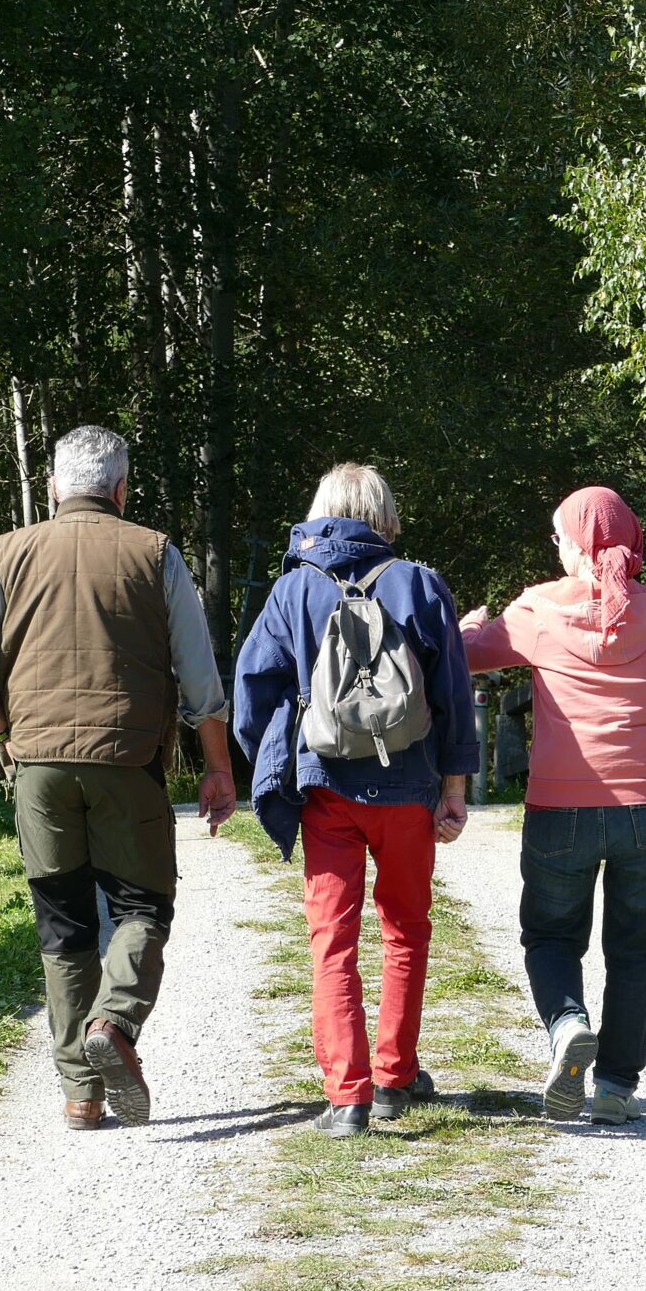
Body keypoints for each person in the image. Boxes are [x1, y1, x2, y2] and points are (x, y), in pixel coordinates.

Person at [0, 425, 238, 1132]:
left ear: (53, 489)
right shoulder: (155, 553)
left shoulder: (6, 554)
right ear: (120, 489)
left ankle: (81, 1093)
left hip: (38, 764)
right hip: (128, 758)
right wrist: (219, 767)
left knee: (63, 921)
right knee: (142, 906)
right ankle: (114, 1019)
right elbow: (199, 675)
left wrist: (6, 723)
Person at [232, 463, 478, 1137]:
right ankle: (397, 1076)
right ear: (385, 517)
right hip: (408, 787)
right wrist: (453, 787)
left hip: (327, 791)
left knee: (331, 938)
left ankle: (348, 1097)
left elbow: (253, 687)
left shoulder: (292, 590)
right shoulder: (420, 584)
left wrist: (275, 762)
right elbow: (453, 695)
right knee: (406, 926)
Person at [461, 486, 646, 1124]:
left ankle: (566, 1026)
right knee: (635, 952)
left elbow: (467, 658)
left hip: (561, 807)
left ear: (577, 545)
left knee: (553, 936)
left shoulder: (535, 611)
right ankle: (615, 1088)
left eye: (558, 537)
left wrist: (472, 626)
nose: (554, 547)